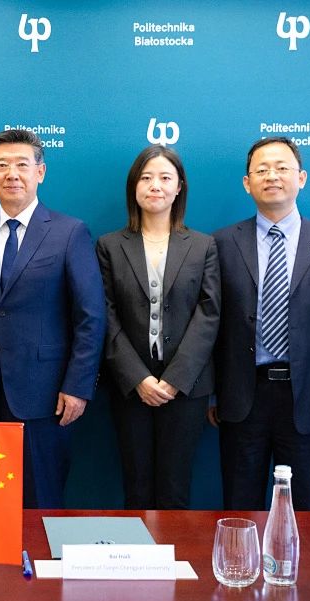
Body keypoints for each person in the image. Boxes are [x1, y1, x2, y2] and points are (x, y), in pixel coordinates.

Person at [0, 128, 105, 508]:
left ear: (40, 172)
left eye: (22, 164)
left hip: (46, 396)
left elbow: (91, 317)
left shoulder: (69, 232)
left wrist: (78, 386)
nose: (12, 174)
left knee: (40, 502)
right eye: (2, 166)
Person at [209, 137, 310, 511]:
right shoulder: (221, 243)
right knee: (240, 505)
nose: (271, 176)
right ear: (247, 183)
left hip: (306, 397)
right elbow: (211, 326)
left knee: (302, 508)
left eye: (281, 168)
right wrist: (212, 393)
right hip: (242, 395)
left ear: (301, 178)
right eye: (261, 170)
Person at [96, 145, 220, 509]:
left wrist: (176, 379)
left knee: (175, 488)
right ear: (133, 186)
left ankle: (172, 549)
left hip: (186, 387)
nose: (155, 186)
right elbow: (105, 314)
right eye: (146, 178)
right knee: (136, 487)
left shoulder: (203, 246)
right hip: (130, 385)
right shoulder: (109, 246)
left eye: (165, 178)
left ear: (179, 187)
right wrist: (138, 378)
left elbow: (209, 314)